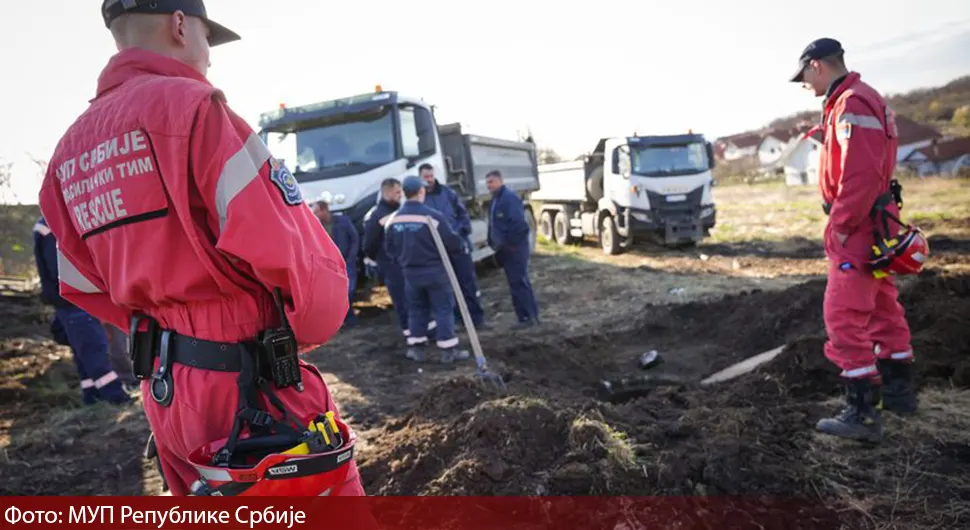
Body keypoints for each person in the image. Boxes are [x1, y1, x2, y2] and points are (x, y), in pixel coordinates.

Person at [38, 0, 363, 496]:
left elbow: (82, 284)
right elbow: (305, 270)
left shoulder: (67, 154)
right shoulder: (196, 111)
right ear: (180, 24)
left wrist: (166, 323)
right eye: (208, 39)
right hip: (249, 384)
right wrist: (282, 336)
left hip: (166, 390)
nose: (208, 56)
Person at [790, 38, 917, 443]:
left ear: (817, 65)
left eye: (804, 76)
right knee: (882, 307)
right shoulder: (860, 99)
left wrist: (840, 225)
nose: (803, 84)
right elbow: (864, 157)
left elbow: (860, 174)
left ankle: (862, 415)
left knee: (843, 315)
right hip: (877, 220)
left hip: (859, 224)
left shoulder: (851, 104)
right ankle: (899, 395)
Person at [32, 217, 131, 406]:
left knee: (84, 353)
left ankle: (92, 397)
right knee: (95, 351)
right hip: (74, 300)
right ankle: (116, 397)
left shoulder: (47, 225)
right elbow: (60, 268)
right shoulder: (52, 226)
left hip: (69, 301)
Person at [384, 176, 470, 363]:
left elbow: (389, 249)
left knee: (416, 309)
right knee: (443, 309)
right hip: (435, 271)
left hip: (410, 273)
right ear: (421, 192)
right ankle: (448, 350)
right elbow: (452, 242)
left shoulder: (393, 220)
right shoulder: (432, 217)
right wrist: (461, 248)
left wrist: (402, 260)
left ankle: (417, 349)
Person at [418, 163, 488, 330]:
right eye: (425, 177)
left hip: (458, 246)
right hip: (437, 250)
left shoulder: (448, 193)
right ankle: (456, 319)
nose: (429, 180)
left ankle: (476, 319)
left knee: (468, 282)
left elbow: (463, 214)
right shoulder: (420, 198)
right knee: (447, 286)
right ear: (420, 177)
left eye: (430, 176)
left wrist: (459, 233)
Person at [485, 170, 540, 329]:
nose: (489, 186)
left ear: (500, 181)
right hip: (506, 250)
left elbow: (519, 226)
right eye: (488, 183)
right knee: (516, 283)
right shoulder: (495, 200)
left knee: (519, 283)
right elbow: (494, 224)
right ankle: (528, 316)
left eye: (492, 182)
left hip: (515, 250)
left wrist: (511, 246)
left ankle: (527, 317)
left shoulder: (509, 198)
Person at [311, 200, 360, 328]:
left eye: (316, 211)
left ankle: (349, 318)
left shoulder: (343, 221)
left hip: (347, 262)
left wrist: (351, 257)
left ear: (324, 210)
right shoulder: (316, 226)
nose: (313, 214)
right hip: (330, 266)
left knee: (349, 291)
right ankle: (348, 319)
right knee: (338, 294)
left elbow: (354, 238)